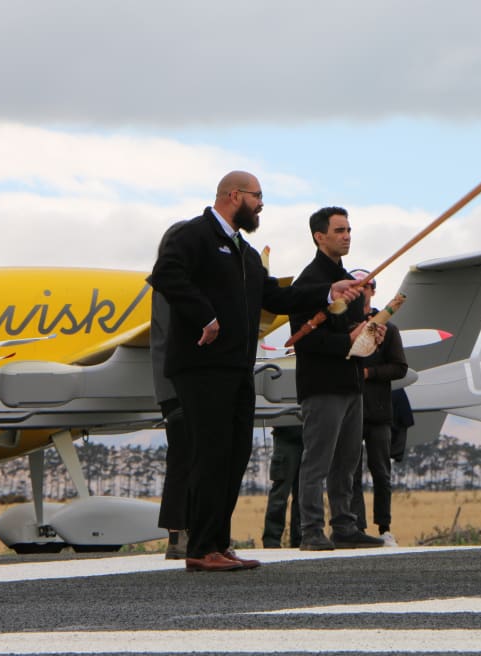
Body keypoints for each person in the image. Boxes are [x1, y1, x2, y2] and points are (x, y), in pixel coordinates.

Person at [148, 171, 360, 572]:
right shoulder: (192, 235)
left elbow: (276, 296)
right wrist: (205, 316)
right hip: (201, 367)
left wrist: (328, 291)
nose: (262, 204)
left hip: (237, 368)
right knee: (210, 453)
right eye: (257, 196)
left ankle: (216, 543)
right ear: (234, 195)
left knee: (234, 455)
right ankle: (200, 547)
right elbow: (166, 276)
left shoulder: (243, 253)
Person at [292, 207, 385, 551]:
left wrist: (368, 336)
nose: (347, 235)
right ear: (320, 237)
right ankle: (312, 529)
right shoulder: (308, 285)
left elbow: (351, 334)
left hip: (350, 383)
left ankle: (345, 525)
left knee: (347, 462)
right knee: (317, 461)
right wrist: (347, 340)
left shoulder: (349, 283)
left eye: (349, 229)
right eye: (339, 230)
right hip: (321, 384)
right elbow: (304, 340)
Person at [347, 269, 407, 546]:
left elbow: (400, 367)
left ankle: (384, 526)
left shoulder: (389, 328)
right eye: (358, 286)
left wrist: (370, 374)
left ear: (374, 290)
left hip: (379, 411)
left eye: (368, 286)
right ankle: (356, 525)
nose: (364, 291)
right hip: (350, 409)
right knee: (351, 471)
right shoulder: (343, 326)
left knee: (381, 471)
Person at [150, 221, 190, 559]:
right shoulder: (172, 286)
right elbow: (165, 340)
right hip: (179, 388)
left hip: (173, 388)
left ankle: (180, 533)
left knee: (182, 459)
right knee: (184, 460)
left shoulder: (166, 284)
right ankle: (179, 533)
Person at [261, 423, 303, 548]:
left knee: (296, 493)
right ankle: (273, 540)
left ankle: (274, 540)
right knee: (282, 493)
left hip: (291, 433)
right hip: (289, 434)